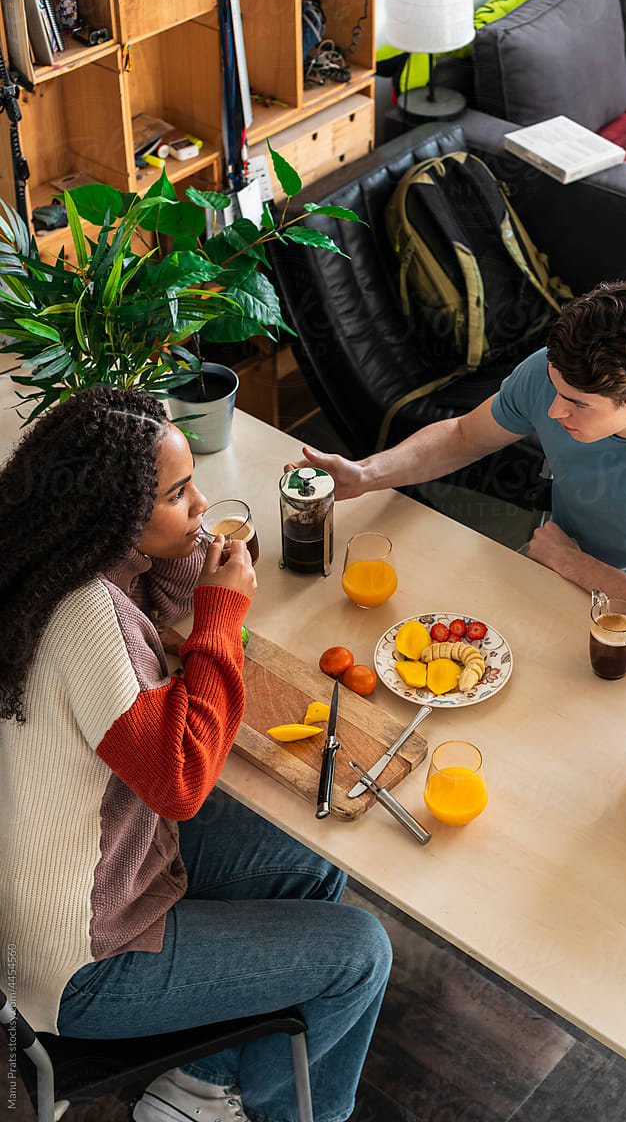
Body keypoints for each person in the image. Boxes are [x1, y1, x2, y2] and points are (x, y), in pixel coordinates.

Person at [0, 385, 391, 1122]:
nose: (201, 501)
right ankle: (276, 1111)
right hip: (83, 963)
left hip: (91, 879)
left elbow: (161, 606)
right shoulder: (86, 615)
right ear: (115, 514)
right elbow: (180, 781)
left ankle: (203, 1083)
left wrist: (188, 545)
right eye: (180, 493)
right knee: (360, 953)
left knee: (310, 862)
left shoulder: (50, 563)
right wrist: (222, 612)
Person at [290, 281, 626, 653]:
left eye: (577, 404)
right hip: (548, 573)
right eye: (555, 389)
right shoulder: (549, 373)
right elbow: (461, 437)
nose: (554, 413)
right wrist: (367, 474)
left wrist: (571, 562)